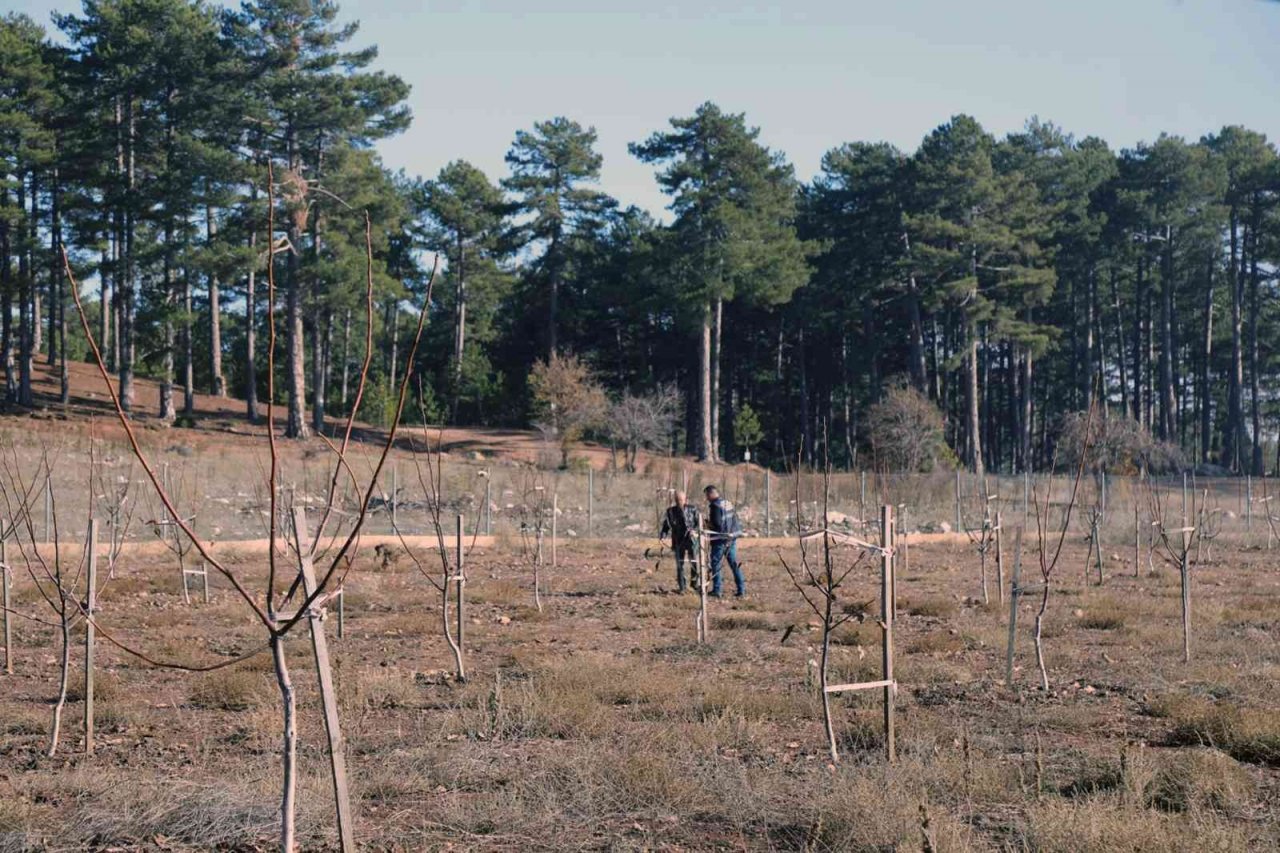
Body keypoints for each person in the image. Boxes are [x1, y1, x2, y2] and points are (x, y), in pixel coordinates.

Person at [704, 485, 745, 598]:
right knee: (734, 564)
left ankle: (717, 590)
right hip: (731, 538)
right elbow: (733, 519)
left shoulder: (715, 506)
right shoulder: (727, 503)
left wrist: (706, 524)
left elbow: (717, 524)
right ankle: (741, 589)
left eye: (707, 495)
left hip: (720, 539)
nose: (707, 498)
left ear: (711, 494)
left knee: (716, 564)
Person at [659, 490, 701, 593]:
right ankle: (682, 587)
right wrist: (663, 536)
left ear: (685, 499)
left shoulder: (693, 509)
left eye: (681, 500)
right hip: (678, 541)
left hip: (691, 540)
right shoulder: (670, 511)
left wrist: (694, 531)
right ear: (675, 500)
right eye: (677, 500)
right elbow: (666, 526)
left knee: (694, 563)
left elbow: (699, 524)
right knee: (680, 565)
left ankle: (694, 584)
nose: (679, 502)